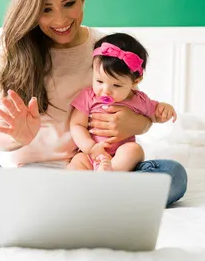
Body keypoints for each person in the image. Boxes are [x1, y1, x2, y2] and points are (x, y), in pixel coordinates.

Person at [0, 0, 187, 214]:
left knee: (174, 175)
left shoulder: (105, 49)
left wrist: (140, 124)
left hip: (97, 170)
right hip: (34, 176)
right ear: (30, 8)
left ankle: (71, 201)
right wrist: (18, 137)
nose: (60, 20)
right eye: (46, 9)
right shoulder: (12, 53)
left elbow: (132, 101)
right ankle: (96, 203)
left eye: (69, 3)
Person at [68, 32, 177, 172]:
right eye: (99, 81)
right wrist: (90, 147)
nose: (105, 90)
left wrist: (165, 109)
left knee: (134, 150)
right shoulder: (88, 96)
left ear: (135, 82)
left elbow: (156, 115)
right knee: (77, 162)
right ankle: (84, 182)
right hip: (93, 153)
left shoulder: (139, 100)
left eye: (117, 85)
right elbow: (76, 124)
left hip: (121, 155)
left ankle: (111, 172)